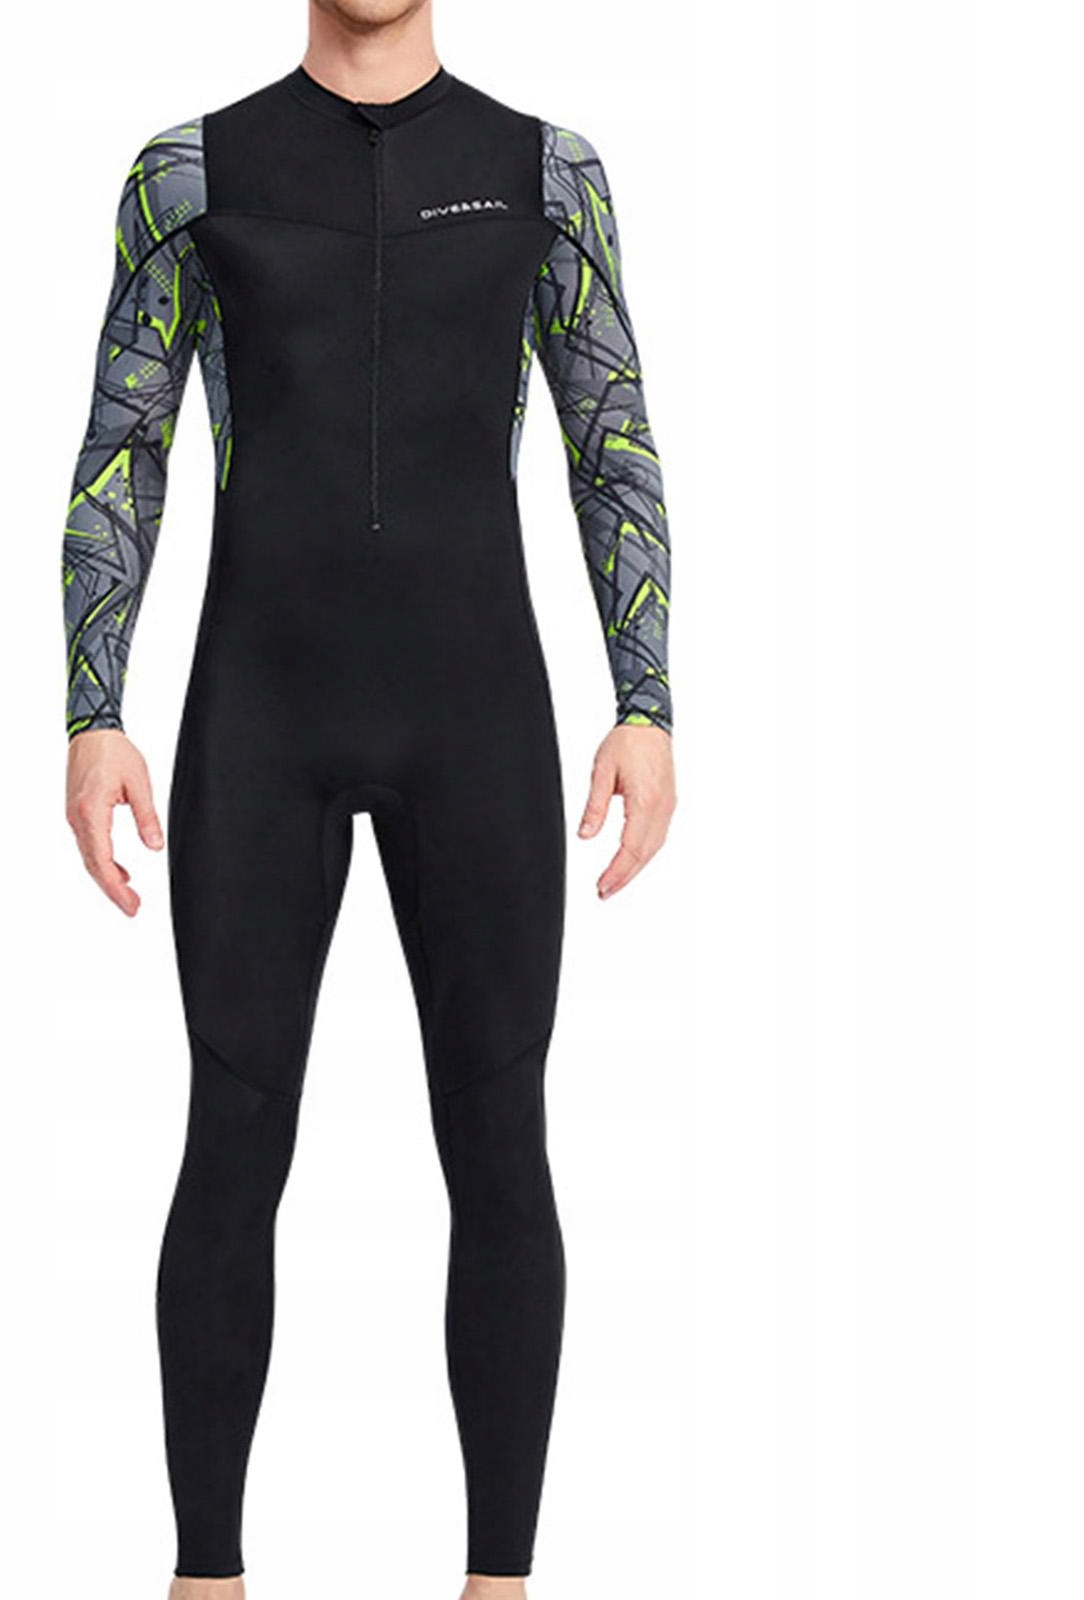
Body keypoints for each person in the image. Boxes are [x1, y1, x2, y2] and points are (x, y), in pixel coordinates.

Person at [60, 3, 676, 1595]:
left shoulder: (547, 172)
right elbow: (125, 444)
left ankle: (499, 1582)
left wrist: (647, 703)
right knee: (232, 1132)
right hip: (259, 713)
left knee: (500, 1135)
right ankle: (206, 1577)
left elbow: (611, 442)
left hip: (480, 716)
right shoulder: (189, 172)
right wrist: (93, 711)